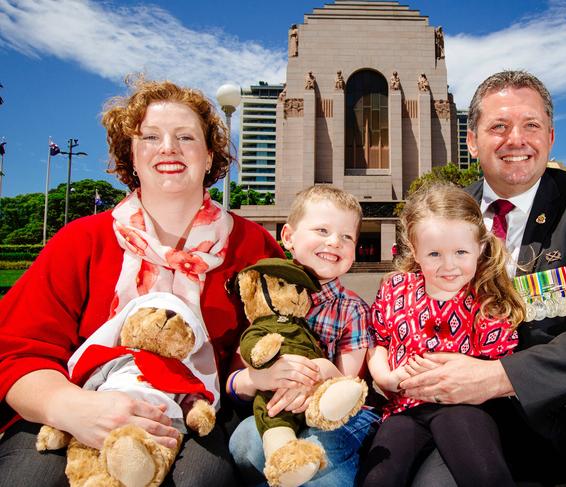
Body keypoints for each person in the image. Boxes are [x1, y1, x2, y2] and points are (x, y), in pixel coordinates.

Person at [0, 78, 284, 486]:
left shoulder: (252, 246)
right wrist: (71, 406)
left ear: (209, 157)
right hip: (75, 404)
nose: (168, 147)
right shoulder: (82, 240)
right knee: (29, 478)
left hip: (191, 411)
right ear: (131, 158)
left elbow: (269, 338)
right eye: (150, 137)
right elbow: (17, 350)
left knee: (204, 479)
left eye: (185, 136)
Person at [406, 70, 566, 486]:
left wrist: (502, 376)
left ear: (550, 137)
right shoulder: (439, 215)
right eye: (498, 126)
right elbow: (409, 312)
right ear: (472, 141)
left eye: (531, 125)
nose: (515, 139)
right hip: (472, 415)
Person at [358, 183, 523, 487]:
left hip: (466, 407)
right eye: (434, 253)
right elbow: (378, 340)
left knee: (484, 474)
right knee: (378, 478)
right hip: (403, 407)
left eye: (461, 252)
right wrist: (383, 377)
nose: (449, 266)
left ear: (480, 248)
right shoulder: (396, 288)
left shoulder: (487, 300)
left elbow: (503, 371)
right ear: (414, 250)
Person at [228, 185, 378, 486]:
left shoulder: (352, 309)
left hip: (335, 421)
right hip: (275, 413)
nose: (334, 241)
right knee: (246, 439)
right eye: (322, 230)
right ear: (288, 237)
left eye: (347, 236)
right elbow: (234, 378)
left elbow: (349, 391)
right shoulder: (263, 297)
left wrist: (321, 372)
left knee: (322, 448)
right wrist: (257, 378)